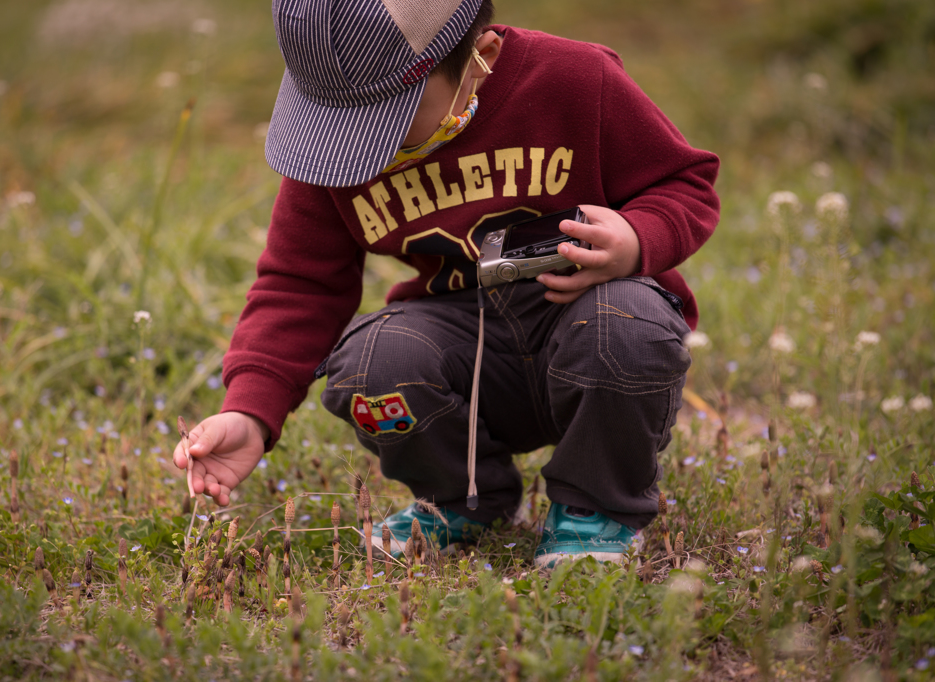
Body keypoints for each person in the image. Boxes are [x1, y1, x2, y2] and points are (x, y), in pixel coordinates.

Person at [172, 0, 719, 567]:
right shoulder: (334, 154)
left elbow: (685, 181)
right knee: (371, 363)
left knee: (629, 326)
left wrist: (635, 237)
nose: (357, 146)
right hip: (465, 342)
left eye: (383, 120)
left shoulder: (575, 81)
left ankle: (596, 507)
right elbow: (298, 282)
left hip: (591, 326)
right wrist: (250, 411)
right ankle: (462, 499)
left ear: (478, 60)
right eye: (334, 125)